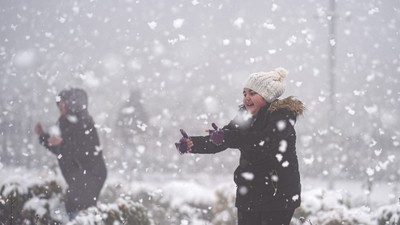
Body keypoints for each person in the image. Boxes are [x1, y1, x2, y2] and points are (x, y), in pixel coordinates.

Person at [175, 68, 304, 225]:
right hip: (249, 194)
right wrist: (193, 144)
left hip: (278, 195)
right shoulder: (245, 116)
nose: (246, 98)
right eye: (244, 94)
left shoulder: (283, 116)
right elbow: (224, 138)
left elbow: (264, 141)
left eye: (252, 93)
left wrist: (227, 137)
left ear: (267, 96)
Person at [34, 88, 107, 220]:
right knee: (76, 210)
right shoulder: (65, 122)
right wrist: (43, 137)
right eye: (59, 104)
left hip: (90, 175)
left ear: (72, 103)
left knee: (79, 210)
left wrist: (63, 142)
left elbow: (85, 149)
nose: (60, 107)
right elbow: (61, 150)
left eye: (63, 104)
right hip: (78, 177)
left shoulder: (84, 121)